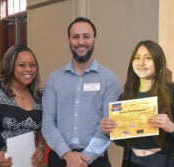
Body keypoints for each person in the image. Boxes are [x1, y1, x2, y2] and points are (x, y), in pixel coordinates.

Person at [42, 17, 121, 167]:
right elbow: (48, 123)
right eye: (75, 37)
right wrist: (68, 155)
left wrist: (84, 159)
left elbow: (108, 125)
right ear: (68, 41)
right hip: (60, 159)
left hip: (96, 160)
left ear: (95, 40)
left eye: (86, 36)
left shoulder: (109, 80)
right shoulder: (54, 79)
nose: (81, 42)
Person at [100, 40, 174, 167]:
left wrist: (170, 126)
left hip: (164, 161)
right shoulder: (126, 96)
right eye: (137, 58)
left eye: (148, 58)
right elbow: (122, 142)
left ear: (158, 62)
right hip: (131, 161)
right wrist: (111, 131)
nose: (141, 62)